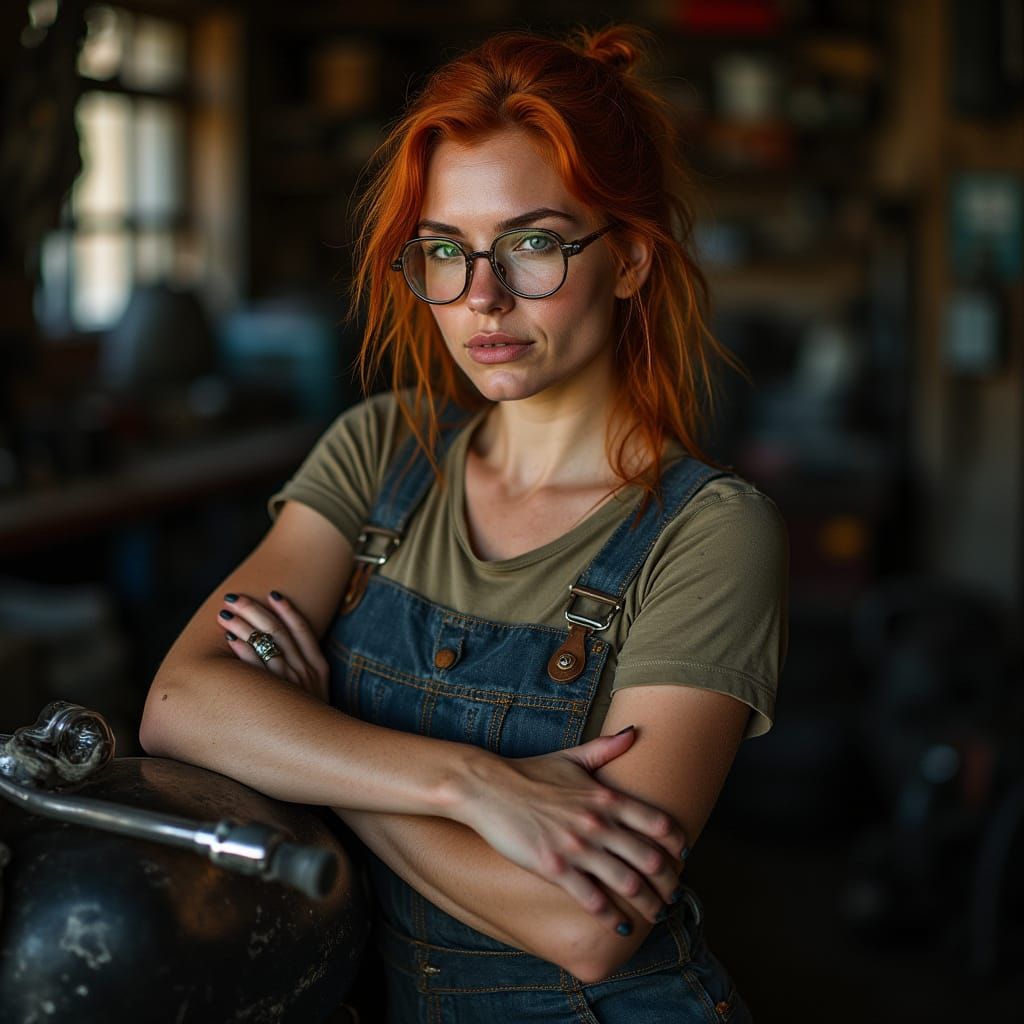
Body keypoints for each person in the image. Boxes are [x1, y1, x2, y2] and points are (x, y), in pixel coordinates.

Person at [140, 23, 787, 1022]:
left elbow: (586, 924)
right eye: (446, 249)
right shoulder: (382, 448)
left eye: (531, 242)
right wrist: (474, 786)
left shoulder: (709, 532)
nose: (481, 297)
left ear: (628, 260)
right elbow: (183, 703)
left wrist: (327, 750)